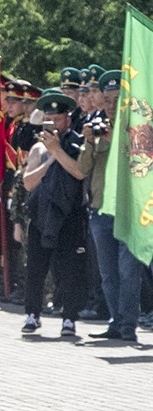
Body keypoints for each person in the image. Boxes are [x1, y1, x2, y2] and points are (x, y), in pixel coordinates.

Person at [19, 91, 87, 337]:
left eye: (57, 120)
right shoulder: (38, 148)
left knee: (69, 269)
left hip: (69, 215)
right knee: (35, 268)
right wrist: (48, 160)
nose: (53, 125)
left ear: (67, 119)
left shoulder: (78, 142)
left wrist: (58, 150)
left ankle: (69, 317)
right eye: (48, 120)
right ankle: (32, 314)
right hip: (41, 215)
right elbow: (28, 183)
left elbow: (79, 172)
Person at [79, 71, 139, 341]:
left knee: (129, 271)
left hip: (130, 211)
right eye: (107, 100)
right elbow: (82, 169)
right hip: (101, 210)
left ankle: (128, 325)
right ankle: (116, 321)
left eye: (118, 100)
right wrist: (90, 142)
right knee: (108, 273)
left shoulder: (138, 130)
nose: (112, 106)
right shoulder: (97, 128)